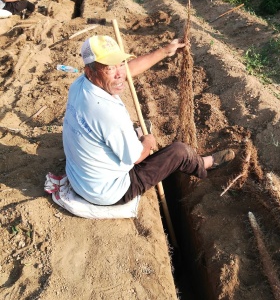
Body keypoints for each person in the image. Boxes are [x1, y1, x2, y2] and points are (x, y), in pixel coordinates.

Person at [62, 35, 235, 206]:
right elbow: (136, 158)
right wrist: (147, 142)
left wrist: (166, 50)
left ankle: (137, 136)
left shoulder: (80, 84)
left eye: (120, 64)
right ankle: (204, 164)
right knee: (179, 151)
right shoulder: (108, 113)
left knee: (137, 129)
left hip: (81, 177)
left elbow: (128, 70)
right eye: (109, 69)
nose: (119, 74)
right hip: (108, 191)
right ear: (89, 71)